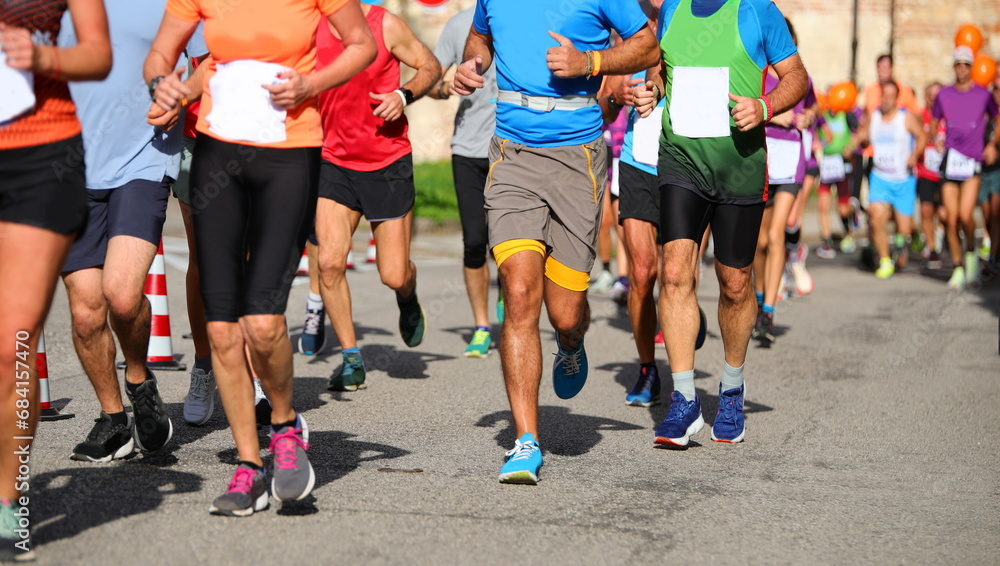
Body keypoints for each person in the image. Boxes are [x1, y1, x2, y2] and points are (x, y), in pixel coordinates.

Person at [144, 0, 375, 516]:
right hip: (216, 153)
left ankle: (286, 426)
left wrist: (311, 85)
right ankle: (248, 467)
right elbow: (164, 51)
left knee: (264, 323)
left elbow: (363, 45)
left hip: (290, 152)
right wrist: (164, 82)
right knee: (223, 328)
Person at [454, 0, 657, 484]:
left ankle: (572, 342)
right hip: (512, 154)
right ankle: (526, 441)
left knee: (565, 313)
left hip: (577, 155)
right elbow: (479, 37)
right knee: (520, 293)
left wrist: (592, 64)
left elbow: (649, 43)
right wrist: (472, 64)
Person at [633, 0, 807, 446]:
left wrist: (765, 107)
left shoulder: (756, 10)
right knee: (673, 273)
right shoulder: (671, 8)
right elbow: (663, 69)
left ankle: (731, 389)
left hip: (740, 166)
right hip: (681, 161)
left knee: (734, 283)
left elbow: (797, 78)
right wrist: (653, 90)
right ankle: (685, 400)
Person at [57, 0, 207, 465]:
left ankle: (139, 378)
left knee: (122, 296)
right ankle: (113, 419)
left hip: (144, 159)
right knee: (85, 313)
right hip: (65, 168)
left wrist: (182, 94)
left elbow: (217, 58)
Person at [0, 0, 111, 558]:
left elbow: (97, 54)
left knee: (10, 343)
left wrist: (40, 54)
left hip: (38, 158)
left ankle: (8, 503)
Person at [314, 1, 440, 391]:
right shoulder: (309, 26)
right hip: (332, 160)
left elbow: (430, 66)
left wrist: (404, 95)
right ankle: (352, 359)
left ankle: (408, 291)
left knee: (393, 274)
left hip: (386, 162)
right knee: (329, 262)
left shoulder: (384, 24)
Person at [426, 5, 498, 358]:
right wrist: (446, 86)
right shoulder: (457, 25)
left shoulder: (522, 16)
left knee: (511, 242)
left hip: (512, 149)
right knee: (475, 241)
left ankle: (510, 301)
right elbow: (432, 81)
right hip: (468, 150)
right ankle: (482, 326)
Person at [752, 18, 816, 346]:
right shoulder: (758, 72)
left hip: (791, 161)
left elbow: (812, 107)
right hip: (765, 158)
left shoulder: (801, 76)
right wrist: (775, 114)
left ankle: (769, 310)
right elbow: (743, 105)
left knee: (777, 234)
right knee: (760, 242)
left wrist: (808, 117)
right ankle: (761, 296)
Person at [930, 46, 1000, 290]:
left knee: (965, 216)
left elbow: (997, 116)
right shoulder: (944, 94)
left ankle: (970, 255)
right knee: (950, 219)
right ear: (953, 66)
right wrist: (935, 137)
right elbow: (933, 121)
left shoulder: (983, 95)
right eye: (958, 64)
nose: (962, 68)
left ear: (972, 68)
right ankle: (958, 267)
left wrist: (991, 144)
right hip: (951, 161)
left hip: (972, 162)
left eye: (966, 64)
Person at [857, 81, 926, 279]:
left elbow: (922, 136)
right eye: (883, 95)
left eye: (890, 95)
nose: (886, 99)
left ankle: (912, 233)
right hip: (880, 177)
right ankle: (885, 260)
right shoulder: (874, 116)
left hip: (903, 180)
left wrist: (914, 155)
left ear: (897, 98)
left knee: (903, 227)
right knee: (876, 215)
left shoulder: (906, 117)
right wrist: (859, 141)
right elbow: (864, 136)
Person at [814, 102, 859, 258]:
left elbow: (857, 135)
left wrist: (851, 147)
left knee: (843, 208)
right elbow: (816, 136)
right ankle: (827, 242)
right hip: (826, 165)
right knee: (823, 204)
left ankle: (850, 226)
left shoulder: (846, 116)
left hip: (843, 164)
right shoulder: (822, 118)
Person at [916, 81, 946, 268]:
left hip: (946, 173)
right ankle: (932, 248)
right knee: (926, 210)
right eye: (930, 95)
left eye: (937, 96)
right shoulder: (920, 117)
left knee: (945, 213)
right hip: (925, 171)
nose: (933, 99)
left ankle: (942, 233)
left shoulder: (949, 116)